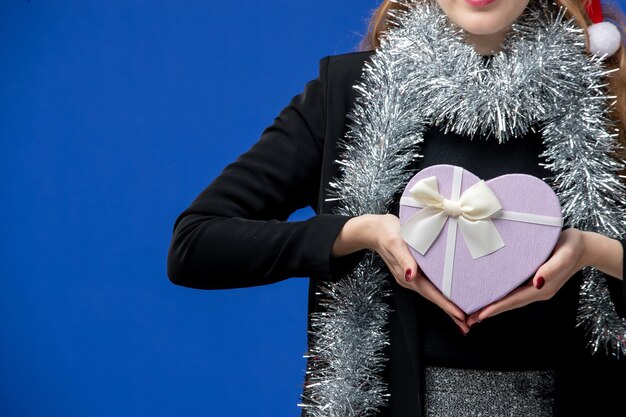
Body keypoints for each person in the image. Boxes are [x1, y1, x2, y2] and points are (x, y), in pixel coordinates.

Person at [167, 0, 626, 415]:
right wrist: (358, 234)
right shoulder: (350, 91)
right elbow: (196, 243)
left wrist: (591, 251)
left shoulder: (605, 94)